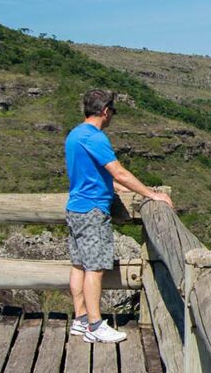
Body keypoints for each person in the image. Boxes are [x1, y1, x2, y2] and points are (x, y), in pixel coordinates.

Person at [65, 89, 173, 343]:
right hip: (93, 211)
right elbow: (119, 172)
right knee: (95, 268)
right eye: (112, 111)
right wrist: (151, 194)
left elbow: (89, 174)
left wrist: (116, 187)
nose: (112, 116)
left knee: (78, 265)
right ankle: (94, 325)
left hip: (76, 207)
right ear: (105, 111)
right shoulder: (95, 138)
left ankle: (80, 319)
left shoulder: (74, 135)